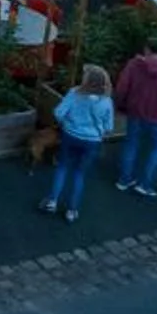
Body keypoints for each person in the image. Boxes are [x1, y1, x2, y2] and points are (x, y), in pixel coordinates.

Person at [44, 63, 115, 221]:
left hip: (70, 136)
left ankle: (52, 201)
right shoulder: (106, 101)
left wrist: (66, 122)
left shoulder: (74, 93)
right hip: (91, 141)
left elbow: (58, 112)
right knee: (79, 173)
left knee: (62, 167)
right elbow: (109, 127)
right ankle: (72, 210)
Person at [114, 44, 157, 198]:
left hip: (135, 111)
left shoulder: (133, 66)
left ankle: (124, 180)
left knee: (131, 144)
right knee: (156, 148)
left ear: (146, 50)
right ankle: (145, 184)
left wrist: (120, 105)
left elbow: (122, 88)